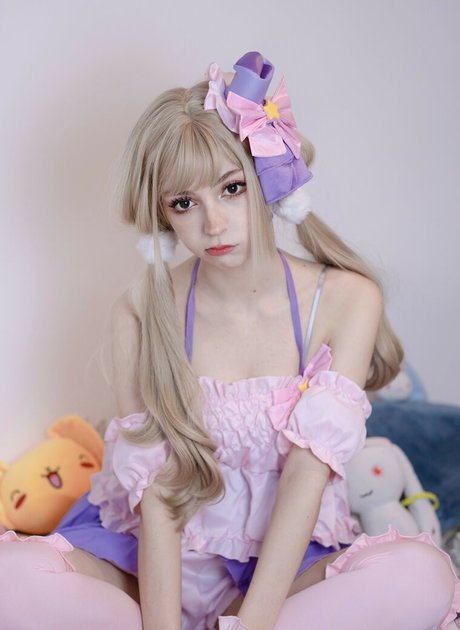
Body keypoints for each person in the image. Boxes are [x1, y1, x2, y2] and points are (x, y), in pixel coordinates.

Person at [0, 51, 459, 630]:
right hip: (146, 565)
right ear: (162, 214)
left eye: (232, 188)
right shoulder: (142, 309)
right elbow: (159, 496)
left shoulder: (346, 299)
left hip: (282, 570)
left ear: (267, 180)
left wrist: (252, 624)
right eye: (184, 203)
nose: (213, 224)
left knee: (422, 574)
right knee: (9, 575)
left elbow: (306, 475)